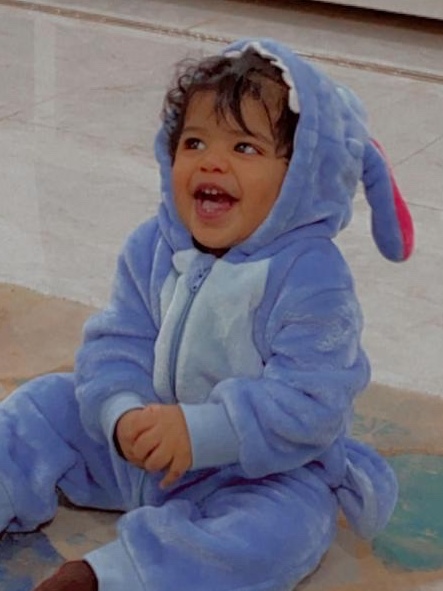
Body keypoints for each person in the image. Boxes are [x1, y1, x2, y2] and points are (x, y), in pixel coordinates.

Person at [0, 38, 414, 591]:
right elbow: (117, 340)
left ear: (300, 176)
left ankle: (119, 576)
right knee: (43, 405)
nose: (212, 161)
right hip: (142, 445)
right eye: (194, 142)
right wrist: (122, 413)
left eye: (245, 147)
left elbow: (311, 403)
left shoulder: (313, 278)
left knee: (283, 530)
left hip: (252, 471)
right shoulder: (154, 245)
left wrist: (203, 432)